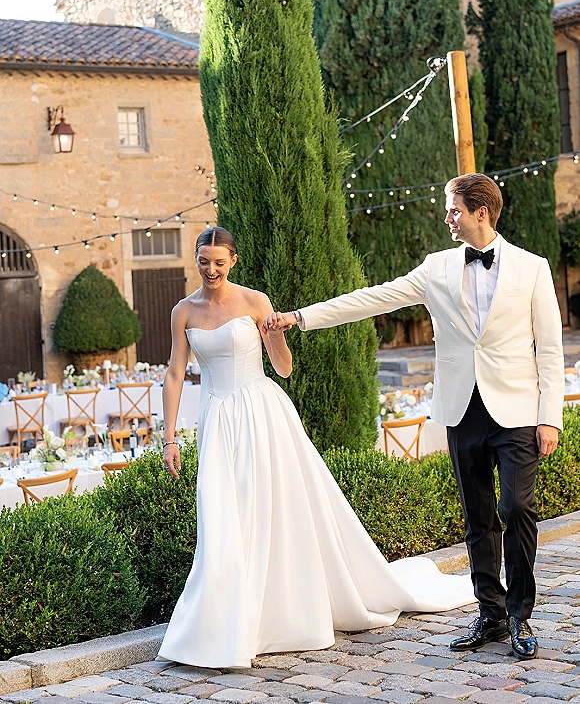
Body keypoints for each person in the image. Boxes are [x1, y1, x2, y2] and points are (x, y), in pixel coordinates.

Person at [265, 173, 564, 661]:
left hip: (518, 413)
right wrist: (299, 317)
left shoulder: (533, 269)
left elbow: (550, 350)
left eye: (454, 210)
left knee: (517, 509)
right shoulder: (437, 268)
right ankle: (489, 613)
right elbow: (373, 298)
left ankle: (520, 614)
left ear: (480, 212)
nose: (447, 218)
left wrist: (549, 417)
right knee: (478, 516)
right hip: (461, 409)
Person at [158, 225, 474, 669]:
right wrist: (170, 436)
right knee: (220, 516)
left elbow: (283, 370)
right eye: (204, 261)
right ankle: (223, 625)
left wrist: (274, 336)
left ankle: (278, 614)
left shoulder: (256, 302)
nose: (211, 269)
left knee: (272, 509)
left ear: (233, 261)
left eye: (219, 262)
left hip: (261, 412)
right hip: (215, 419)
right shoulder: (182, 311)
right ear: (196, 260)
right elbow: (175, 373)